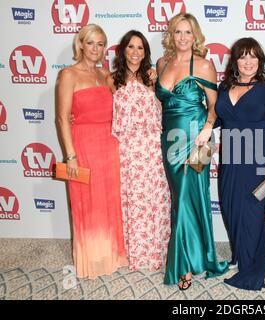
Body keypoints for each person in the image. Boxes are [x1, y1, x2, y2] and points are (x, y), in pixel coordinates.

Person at [155, 13, 228, 290]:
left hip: (199, 140)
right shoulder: (162, 63)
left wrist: (207, 130)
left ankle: (184, 264)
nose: (183, 38)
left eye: (188, 32)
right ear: (171, 35)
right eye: (177, 32)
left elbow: (215, 106)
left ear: (195, 36)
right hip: (170, 141)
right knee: (180, 198)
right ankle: (196, 254)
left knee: (188, 195)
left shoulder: (205, 65)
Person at [56, 24, 128, 279]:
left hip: (110, 144)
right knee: (86, 202)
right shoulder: (68, 75)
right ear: (81, 45)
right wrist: (70, 155)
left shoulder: (107, 76)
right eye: (91, 43)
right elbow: (63, 119)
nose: (95, 49)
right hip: (83, 146)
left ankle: (112, 255)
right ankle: (92, 260)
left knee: (109, 201)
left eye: (100, 44)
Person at [215, 37, 265, 290]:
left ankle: (253, 269)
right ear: (236, 61)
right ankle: (240, 257)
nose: (248, 61)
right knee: (231, 209)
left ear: (260, 60)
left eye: (253, 56)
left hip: (257, 157)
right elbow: (221, 118)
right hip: (230, 155)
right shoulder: (225, 87)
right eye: (243, 56)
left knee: (252, 214)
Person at [109, 30, 171, 271]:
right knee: (132, 201)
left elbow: (166, 107)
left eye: (140, 48)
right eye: (131, 47)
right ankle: (133, 253)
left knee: (155, 200)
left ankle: (156, 253)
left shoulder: (153, 77)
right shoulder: (112, 79)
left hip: (152, 148)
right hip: (125, 150)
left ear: (146, 53)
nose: (135, 52)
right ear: (123, 50)